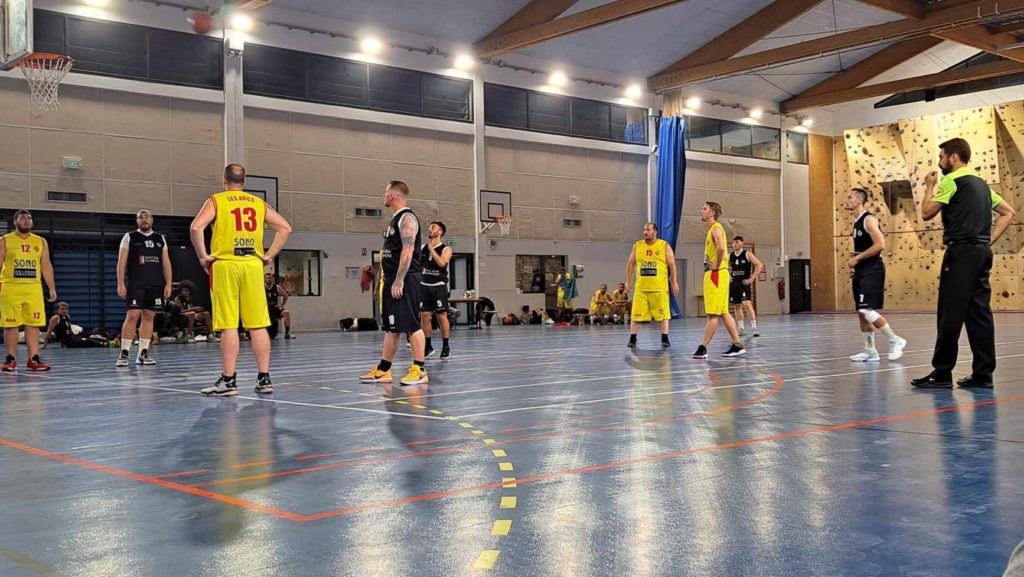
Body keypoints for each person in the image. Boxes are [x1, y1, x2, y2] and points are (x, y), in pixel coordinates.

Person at [912, 138, 1015, 388]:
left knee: (950, 312)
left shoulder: (951, 181)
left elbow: (926, 212)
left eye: (942, 157)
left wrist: (929, 186)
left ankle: (942, 373)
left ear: (954, 157)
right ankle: (983, 374)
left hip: (960, 254)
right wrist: (987, 240)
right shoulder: (982, 184)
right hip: (981, 253)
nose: (940, 162)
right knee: (979, 314)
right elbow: (1008, 212)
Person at [190, 164, 292, 396]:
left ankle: (228, 381)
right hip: (252, 265)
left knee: (229, 325)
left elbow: (196, 227)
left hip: (226, 264)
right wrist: (269, 255)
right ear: (244, 181)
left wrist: (203, 256)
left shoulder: (217, 200)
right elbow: (285, 228)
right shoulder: (257, 203)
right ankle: (264, 378)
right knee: (257, 324)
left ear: (224, 180)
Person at [359, 181, 428, 386]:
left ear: (392, 196)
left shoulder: (407, 218)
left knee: (411, 325)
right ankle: (383, 370)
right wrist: (384, 283)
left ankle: (420, 369)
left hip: (405, 279)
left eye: (385, 192)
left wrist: (399, 280)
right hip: (391, 279)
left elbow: (408, 251)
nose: (383, 195)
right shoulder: (395, 220)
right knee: (392, 327)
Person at [843, 188, 907, 362]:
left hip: (872, 269)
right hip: (862, 270)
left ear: (859, 200)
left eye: (850, 197)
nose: (846, 200)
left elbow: (880, 245)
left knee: (866, 309)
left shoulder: (869, 219)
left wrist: (857, 258)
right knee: (861, 312)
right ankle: (870, 351)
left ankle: (895, 340)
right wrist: (854, 264)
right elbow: (862, 248)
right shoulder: (856, 222)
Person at [0, 210, 56, 371]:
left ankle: (34, 359)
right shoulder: (5, 240)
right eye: (22, 218)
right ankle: (10, 359)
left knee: (34, 323)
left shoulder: (40, 241)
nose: (26, 220)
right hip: (10, 286)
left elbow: (46, 265)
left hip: (33, 287)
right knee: (10, 324)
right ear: (15, 222)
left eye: (29, 218)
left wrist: (51, 287)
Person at [115, 209, 171, 366]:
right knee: (132, 315)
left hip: (156, 283)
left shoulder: (160, 238)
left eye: (147, 217)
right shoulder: (130, 237)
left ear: (152, 220)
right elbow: (121, 262)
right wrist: (120, 283)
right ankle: (124, 353)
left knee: (149, 316)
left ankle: (143, 353)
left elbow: (166, 262)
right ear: (137, 221)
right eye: (141, 217)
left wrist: (168, 283)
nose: (144, 219)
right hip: (136, 283)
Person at [693, 203, 745, 359]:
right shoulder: (713, 229)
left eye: (704, 209)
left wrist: (716, 265)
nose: (701, 211)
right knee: (723, 312)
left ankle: (703, 348)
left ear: (712, 213)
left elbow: (721, 248)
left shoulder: (716, 228)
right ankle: (737, 344)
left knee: (712, 314)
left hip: (715, 274)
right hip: (718, 274)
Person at [625, 223, 680, 348]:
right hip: (641, 288)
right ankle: (633, 338)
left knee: (663, 315)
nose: (645, 232)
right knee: (636, 316)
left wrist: (674, 281)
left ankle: (664, 338)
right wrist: (628, 280)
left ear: (655, 232)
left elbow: (672, 265)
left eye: (648, 229)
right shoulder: (637, 245)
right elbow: (630, 264)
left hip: (659, 288)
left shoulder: (664, 245)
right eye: (644, 229)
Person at [419, 221, 452, 359]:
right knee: (425, 316)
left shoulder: (446, 249)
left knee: (441, 316)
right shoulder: (422, 248)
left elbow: (442, 263)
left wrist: (431, 249)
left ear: (440, 232)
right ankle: (428, 346)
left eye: (433, 227)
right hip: (424, 285)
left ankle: (446, 346)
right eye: (429, 227)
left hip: (438, 286)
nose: (430, 229)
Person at [729, 236, 764, 337]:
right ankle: (741, 329)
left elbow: (759, 265)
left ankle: (754, 328)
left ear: (742, 243)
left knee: (747, 304)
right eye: (733, 242)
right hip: (734, 284)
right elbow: (721, 266)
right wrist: (727, 275)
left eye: (737, 242)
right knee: (737, 305)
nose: (735, 244)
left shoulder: (747, 254)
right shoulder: (730, 256)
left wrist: (752, 278)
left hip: (744, 283)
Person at [43, 302, 112, 349]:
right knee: (86, 341)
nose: (65, 311)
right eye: (62, 309)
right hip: (69, 342)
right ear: (58, 310)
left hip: (72, 337)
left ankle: (110, 342)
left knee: (90, 337)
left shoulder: (67, 316)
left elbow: (67, 330)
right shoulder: (55, 318)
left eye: (66, 309)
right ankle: (107, 345)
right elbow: (49, 331)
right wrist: (45, 345)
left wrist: (62, 344)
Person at [264, 273, 294, 339]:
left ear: (273, 279)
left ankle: (287, 333)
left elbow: (286, 296)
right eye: (267, 278)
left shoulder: (277, 287)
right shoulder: (261, 287)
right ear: (264, 279)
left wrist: (282, 305)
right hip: (265, 309)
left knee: (286, 313)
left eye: (270, 278)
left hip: (274, 307)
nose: (269, 280)